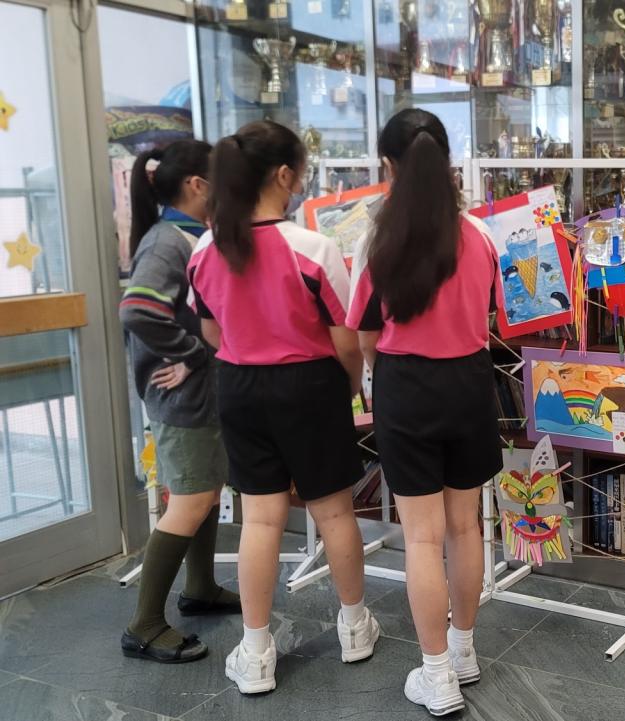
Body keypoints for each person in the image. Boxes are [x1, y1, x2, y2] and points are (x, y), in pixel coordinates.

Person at [189, 120, 380, 695]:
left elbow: (210, 332)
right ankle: (355, 628)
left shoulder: (205, 248)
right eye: (301, 172)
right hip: (311, 386)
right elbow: (346, 340)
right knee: (335, 513)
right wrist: (348, 386)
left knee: (260, 519)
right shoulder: (313, 248)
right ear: (283, 176)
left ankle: (255, 653)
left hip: (240, 387)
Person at [347, 108, 500, 717]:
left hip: (405, 385)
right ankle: (463, 651)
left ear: (388, 165)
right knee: (465, 527)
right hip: (470, 384)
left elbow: (364, 335)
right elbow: (489, 315)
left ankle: (436, 675)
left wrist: (379, 375)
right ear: (447, 161)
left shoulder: (376, 240)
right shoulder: (480, 236)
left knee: (421, 536)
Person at [119, 139, 241, 664]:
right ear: (197, 185)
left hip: (199, 394)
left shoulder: (188, 236)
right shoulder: (167, 242)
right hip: (182, 399)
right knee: (190, 499)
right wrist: (193, 352)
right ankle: (144, 624)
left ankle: (200, 588)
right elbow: (137, 311)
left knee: (206, 492)